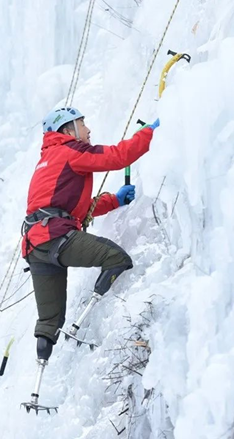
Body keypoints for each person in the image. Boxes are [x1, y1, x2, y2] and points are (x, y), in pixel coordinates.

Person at [22, 107, 159, 365]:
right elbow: (119, 157)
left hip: (34, 247)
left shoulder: (48, 160)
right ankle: (81, 323)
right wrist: (150, 132)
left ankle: (37, 386)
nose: (88, 129)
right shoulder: (70, 151)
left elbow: (74, 209)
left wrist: (115, 200)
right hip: (56, 237)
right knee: (116, 258)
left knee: (49, 322)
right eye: (82, 124)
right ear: (67, 130)